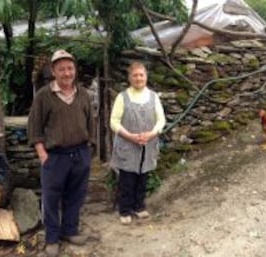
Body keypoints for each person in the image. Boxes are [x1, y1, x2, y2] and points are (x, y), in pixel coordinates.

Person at [27, 49, 95, 257]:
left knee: (76, 196)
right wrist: (42, 154)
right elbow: (34, 127)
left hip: (80, 154)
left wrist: (88, 149)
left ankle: (70, 231)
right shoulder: (44, 96)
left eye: (70, 68)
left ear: (75, 70)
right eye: (61, 69)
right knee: (51, 199)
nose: (66, 73)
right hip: (55, 156)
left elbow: (91, 123)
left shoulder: (83, 94)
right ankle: (52, 238)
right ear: (53, 71)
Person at [110, 61, 166, 225]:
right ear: (130, 78)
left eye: (141, 75)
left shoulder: (153, 97)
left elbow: (161, 120)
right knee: (127, 179)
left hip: (147, 145)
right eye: (135, 75)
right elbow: (114, 121)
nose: (138, 78)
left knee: (143, 177)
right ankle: (125, 210)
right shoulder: (122, 97)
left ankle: (139, 206)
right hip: (127, 145)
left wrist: (152, 133)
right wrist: (130, 136)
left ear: (146, 77)